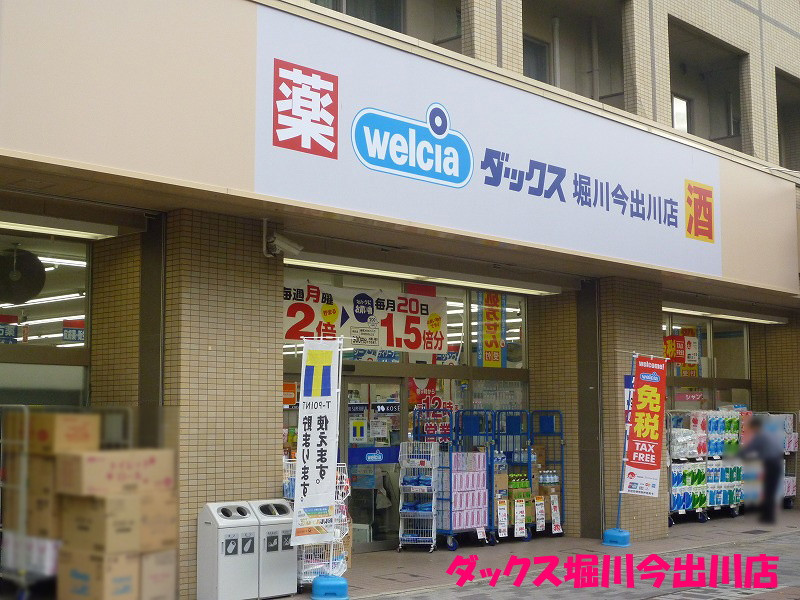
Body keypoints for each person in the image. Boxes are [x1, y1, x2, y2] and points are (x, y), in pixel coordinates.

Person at [739, 416, 784, 524]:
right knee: (771, 489)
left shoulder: (759, 436)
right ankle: (769, 515)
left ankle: (768, 516)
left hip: (770, 465)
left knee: (768, 489)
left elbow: (750, 449)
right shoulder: (768, 434)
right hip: (776, 463)